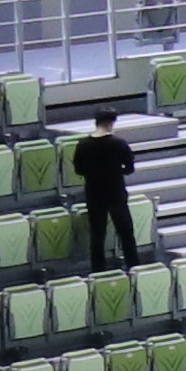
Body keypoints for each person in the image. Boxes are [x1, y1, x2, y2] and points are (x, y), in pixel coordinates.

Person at [72, 114, 144, 269]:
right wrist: (116, 171)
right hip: (115, 192)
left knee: (97, 234)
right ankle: (133, 266)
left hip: (94, 193)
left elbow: (79, 169)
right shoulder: (118, 143)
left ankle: (98, 270)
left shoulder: (83, 145)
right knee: (125, 232)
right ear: (111, 124)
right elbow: (129, 168)